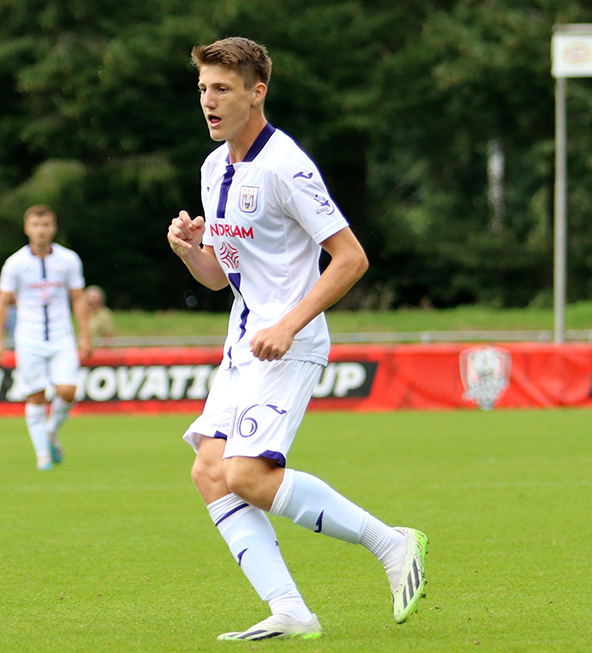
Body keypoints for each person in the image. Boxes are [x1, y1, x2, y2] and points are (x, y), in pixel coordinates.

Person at [167, 37, 428, 641]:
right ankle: (290, 610)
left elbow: (350, 258)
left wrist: (288, 324)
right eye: (204, 88)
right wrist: (189, 251)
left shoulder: (287, 164)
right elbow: (217, 275)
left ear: (257, 93)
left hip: (289, 344)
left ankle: (391, 544)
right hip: (242, 345)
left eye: (222, 89)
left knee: (247, 477)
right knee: (210, 471)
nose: (209, 100)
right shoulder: (214, 167)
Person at [0, 205, 92, 470]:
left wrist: (86, 335)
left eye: (45, 225)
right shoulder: (15, 263)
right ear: (27, 229)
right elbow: (2, 301)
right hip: (29, 337)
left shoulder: (68, 260)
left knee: (68, 390)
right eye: (36, 225)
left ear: (53, 228)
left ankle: (50, 431)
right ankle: (43, 456)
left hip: (62, 336)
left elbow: (77, 298)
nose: (41, 230)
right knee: (35, 395)